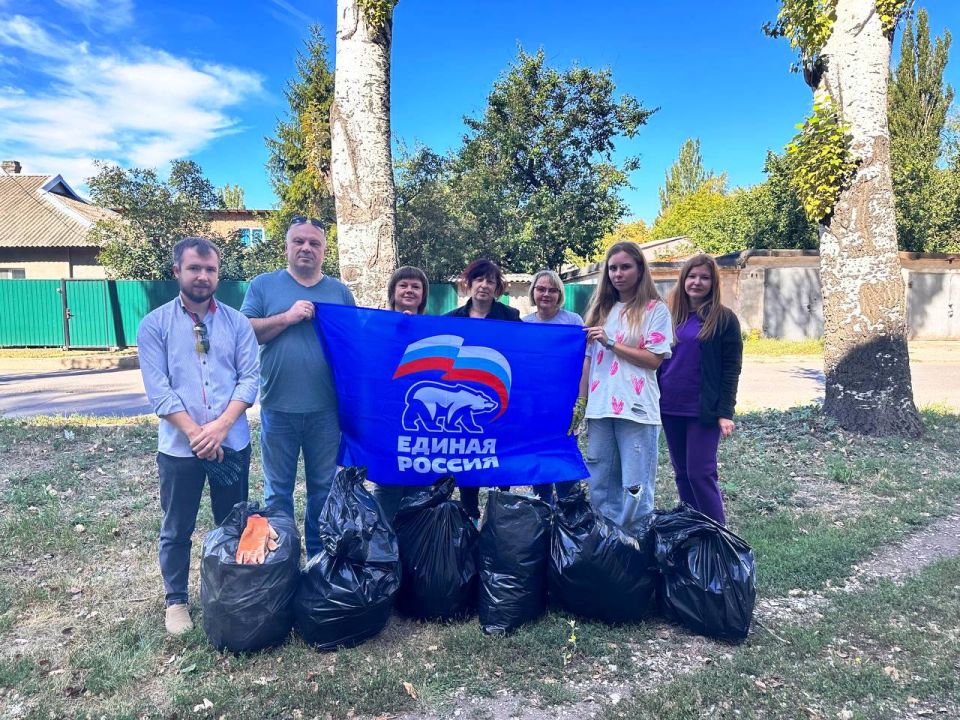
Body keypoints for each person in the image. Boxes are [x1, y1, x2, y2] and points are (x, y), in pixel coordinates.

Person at [138, 236, 259, 635]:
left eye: (210, 269)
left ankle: (228, 592)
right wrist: (196, 433)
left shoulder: (237, 323)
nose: (203, 276)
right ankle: (176, 601)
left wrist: (221, 427)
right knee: (177, 526)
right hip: (179, 448)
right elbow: (159, 391)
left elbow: (249, 379)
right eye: (194, 268)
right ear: (177, 271)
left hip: (232, 445)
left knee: (233, 523)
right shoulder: (154, 325)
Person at [241, 216, 355, 557]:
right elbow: (244, 332)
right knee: (278, 492)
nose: (306, 248)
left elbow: (354, 343)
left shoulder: (338, 292)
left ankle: (318, 560)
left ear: (324, 250)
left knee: (323, 489)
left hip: (326, 410)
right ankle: (284, 559)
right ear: (287, 246)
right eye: (299, 241)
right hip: (278, 408)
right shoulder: (263, 285)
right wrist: (287, 318)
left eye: (314, 243)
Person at [578, 241, 673, 521]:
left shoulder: (655, 310)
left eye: (625, 267)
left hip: (637, 409)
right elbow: (587, 361)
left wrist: (611, 343)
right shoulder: (599, 311)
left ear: (640, 269)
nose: (618, 274)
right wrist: (581, 403)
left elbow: (654, 359)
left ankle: (635, 544)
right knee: (600, 480)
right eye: (612, 269)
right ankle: (606, 546)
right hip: (600, 408)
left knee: (635, 485)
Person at [658, 254, 743, 525]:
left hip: (702, 409)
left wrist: (725, 411)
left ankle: (719, 537)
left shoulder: (724, 319)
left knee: (700, 473)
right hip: (669, 405)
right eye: (692, 276)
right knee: (681, 473)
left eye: (704, 277)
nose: (697, 282)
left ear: (713, 283)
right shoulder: (668, 315)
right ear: (683, 280)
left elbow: (731, 369)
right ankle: (693, 529)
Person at [445, 259, 519, 520]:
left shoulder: (510, 317)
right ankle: (470, 515)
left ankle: (501, 512)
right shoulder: (451, 319)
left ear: (497, 287)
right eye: (479, 280)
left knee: (500, 451)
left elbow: (523, 352)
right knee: (469, 455)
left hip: (498, 395)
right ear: (469, 284)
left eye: (490, 281)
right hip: (464, 393)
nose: (484, 286)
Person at [373, 266, 431, 521]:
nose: (409, 290)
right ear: (393, 292)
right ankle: (383, 552)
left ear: (423, 295)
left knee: (422, 485)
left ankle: (417, 548)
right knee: (387, 485)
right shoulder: (376, 327)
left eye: (415, 286)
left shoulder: (434, 327)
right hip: (388, 416)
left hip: (424, 421)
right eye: (403, 285)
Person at [522, 269, 583, 505]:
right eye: (541, 289)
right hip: (532, 403)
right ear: (533, 292)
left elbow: (581, 361)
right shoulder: (524, 323)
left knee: (563, 456)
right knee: (538, 457)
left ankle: (570, 513)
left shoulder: (573, 321)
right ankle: (543, 509)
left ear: (560, 294)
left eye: (552, 290)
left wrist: (580, 400)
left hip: (562, 402)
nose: (546, 294)